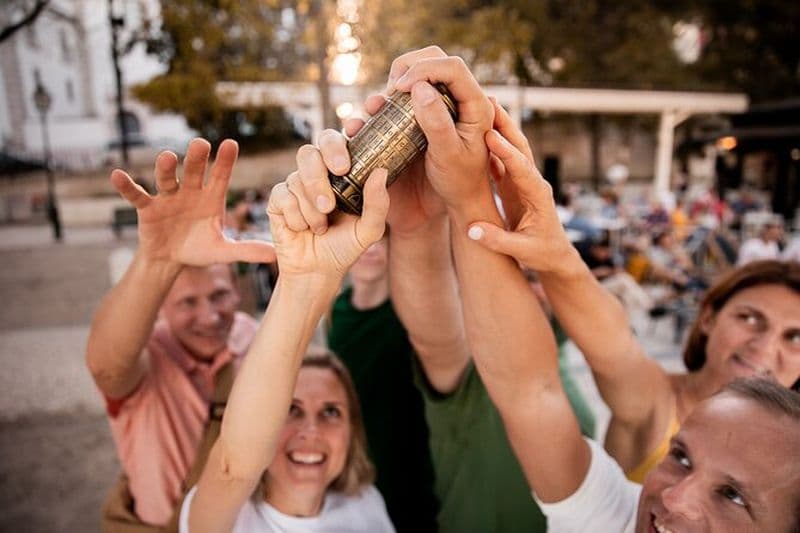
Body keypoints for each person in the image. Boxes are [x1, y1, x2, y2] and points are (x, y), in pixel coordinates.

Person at [440, 109, 800, 532]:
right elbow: (562, 374)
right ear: (708, 318)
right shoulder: (620, 511)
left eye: (734, 495)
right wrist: (471, 192)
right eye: (680, 456)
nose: (674, 498)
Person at [291, 45, 590, 532]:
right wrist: (418, 226)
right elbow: (438, 336)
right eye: (510, 269)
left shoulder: (558, 370)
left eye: (527, 270)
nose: (522, 282)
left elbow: (612, 354)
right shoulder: (484, 370)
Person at [179, 149, 394, 532]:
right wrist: (298, 282)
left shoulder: (367, 507)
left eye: (331, 412)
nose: (310, 431)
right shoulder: (226, 518)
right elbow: (232, 468)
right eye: (290, 410)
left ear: (353, 433)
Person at [86, 138, 276, 529]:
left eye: (220, 295)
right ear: (163, 310)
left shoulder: (249, 334)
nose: (209, 316)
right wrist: (157, 262)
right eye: (188, 303)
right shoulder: (149, 353)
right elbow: (106, 368)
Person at [327, 235, 440, 532]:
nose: (371, 249)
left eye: (382, 240)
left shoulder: (409, 315)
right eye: (364, 240)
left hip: (405, 453)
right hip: (354, 456)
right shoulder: (337, 311)